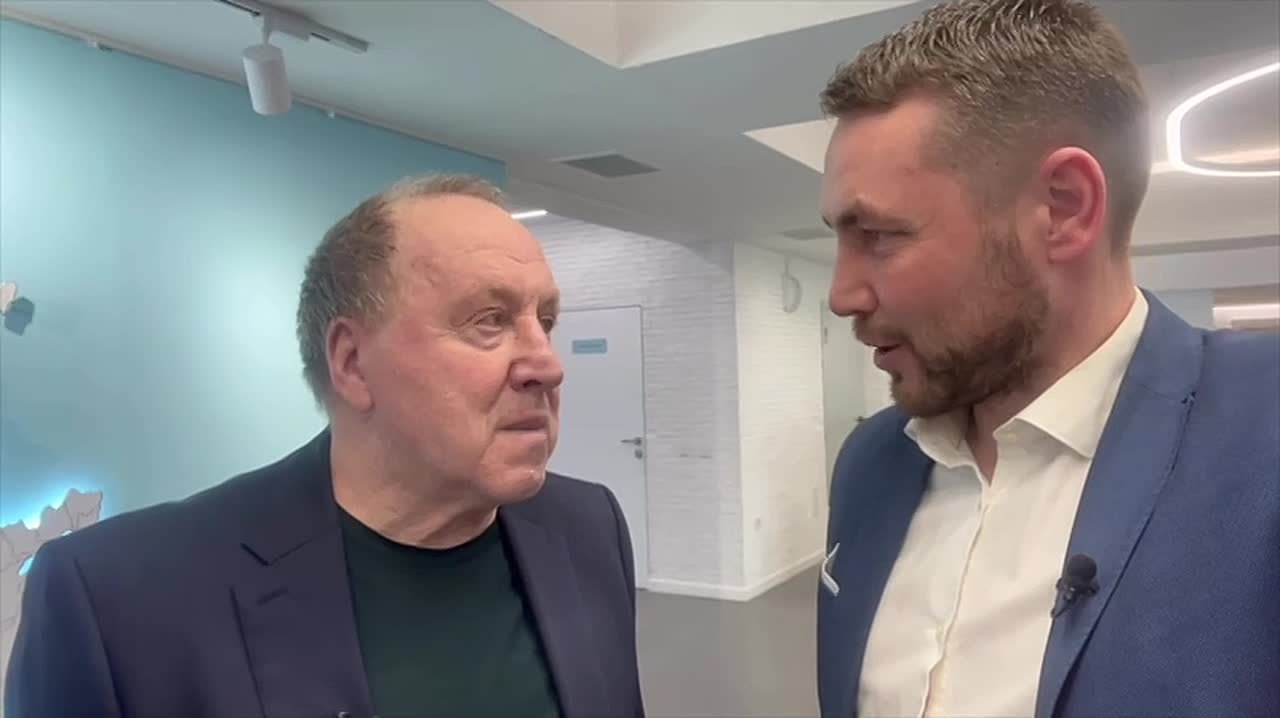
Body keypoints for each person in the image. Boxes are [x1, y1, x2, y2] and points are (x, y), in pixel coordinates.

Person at [6, 175, 646, 718]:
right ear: (352, 363)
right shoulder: (116, 600)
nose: (547, 364)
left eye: (546, 321)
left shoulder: (589, 528)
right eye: (490, 321)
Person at [815, 1, 1279, 717]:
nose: (841, 294)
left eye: (877, 235)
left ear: (1063, 208)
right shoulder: (870, 464)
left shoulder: (1263, 436)